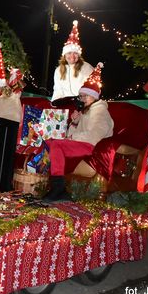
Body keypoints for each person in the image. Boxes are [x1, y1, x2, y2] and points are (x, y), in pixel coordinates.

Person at [44, 63, 113, 201]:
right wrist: (75, 122)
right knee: (51, 142)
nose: (83, 99)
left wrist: (71, 137)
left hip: (93, 146)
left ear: (95, 97)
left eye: (86, 96)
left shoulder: (99, 111)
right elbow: (72, 133)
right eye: (81, 96)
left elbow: (95, 135)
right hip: (82, 144)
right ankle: (55, 186)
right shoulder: (86, 111)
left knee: (57, 144)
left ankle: (58, 188)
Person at [51, 20, 94, 102]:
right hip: (65, 104)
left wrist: (84, 102)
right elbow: (57, 90)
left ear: (79, 55)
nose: (72, 56)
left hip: (83, 103)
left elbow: (92, 89)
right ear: (64, 55)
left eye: (75, 53)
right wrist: (54, 103)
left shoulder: (87, 67)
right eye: (69, 53)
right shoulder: (58, 70)